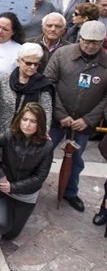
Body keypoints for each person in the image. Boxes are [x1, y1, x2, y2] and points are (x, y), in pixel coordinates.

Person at [44, 21, 107, 212]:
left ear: (102, 42)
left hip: (83, 123)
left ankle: (70, 192)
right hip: (57, 119)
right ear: (80, 38)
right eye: (87, 41)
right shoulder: (62, 54)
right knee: (44, 152)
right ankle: (33, 185)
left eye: (95, 43)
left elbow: (106, 97)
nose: (90, 46)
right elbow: (48, 83)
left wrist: (88, 119)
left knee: (77, 158)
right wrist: (61, 114)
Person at [0, 103, 53, 241]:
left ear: (40, 124)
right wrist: (0, 174)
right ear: (19, 119)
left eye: (33, 121)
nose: (27, 124)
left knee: (11, 235)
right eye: (25, 119)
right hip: (2, 187)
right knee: (0, 226)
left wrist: (14, 187)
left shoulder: (47, 145)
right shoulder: (9, 134)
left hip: (26, 193)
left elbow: (40, 176)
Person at [0, 43, 54, 140]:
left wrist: (43, 133)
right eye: (28, 63)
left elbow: (46, 112)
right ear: (18, 61)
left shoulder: (43, 85)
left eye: (36, 64)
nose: (32, 67)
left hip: (27, 138)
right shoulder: (4, 79)